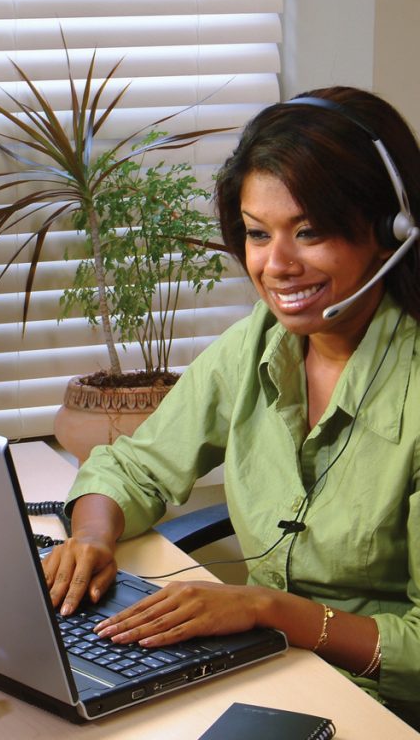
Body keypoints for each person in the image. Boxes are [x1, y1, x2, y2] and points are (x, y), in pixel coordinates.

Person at [41, 86, 420, 730]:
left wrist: (270, 611)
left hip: (381, 707)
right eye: (256, 234)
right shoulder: (259, 344)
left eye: (310, 232)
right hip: (272, 669)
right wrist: (91, 538)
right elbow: (135, 466)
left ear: (391, 231)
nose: (276, 266)